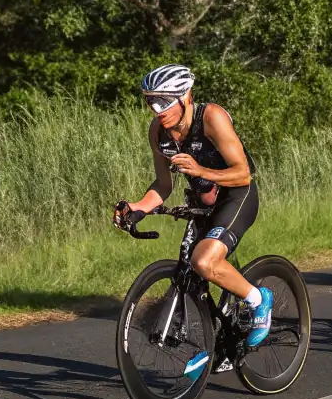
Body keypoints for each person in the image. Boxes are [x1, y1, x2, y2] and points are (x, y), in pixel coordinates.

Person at [113, 63, 273, 377]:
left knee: (203, 260)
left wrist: (200, 171)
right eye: (150, 101)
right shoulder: (157, 131)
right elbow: (163, 185)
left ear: (185, 96)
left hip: (236, 195)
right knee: (191, 269)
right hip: (202, 200)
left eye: (164, 101)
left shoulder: (211, 117)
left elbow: (243, 173)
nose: (157, 109)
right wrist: (137, 207)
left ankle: (258, 299)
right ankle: (220, 338)